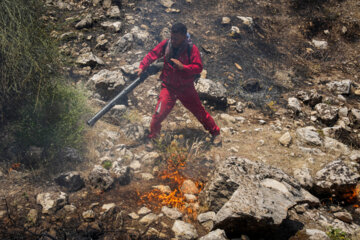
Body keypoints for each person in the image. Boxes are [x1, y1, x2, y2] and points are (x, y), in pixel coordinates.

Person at [135, 23, 221, 148]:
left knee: (199, 112)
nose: (173, 40)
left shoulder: (191, 48)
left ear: (183, 37)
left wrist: (183, 67)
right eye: (172, 37)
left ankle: (215, 133)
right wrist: (142, 67)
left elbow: (198, 68)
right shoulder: (166, 44)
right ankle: (154, 138)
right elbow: (152, 54)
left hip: (186, 88)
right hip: (168, 87)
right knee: (158, 114)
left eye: (176, 38)